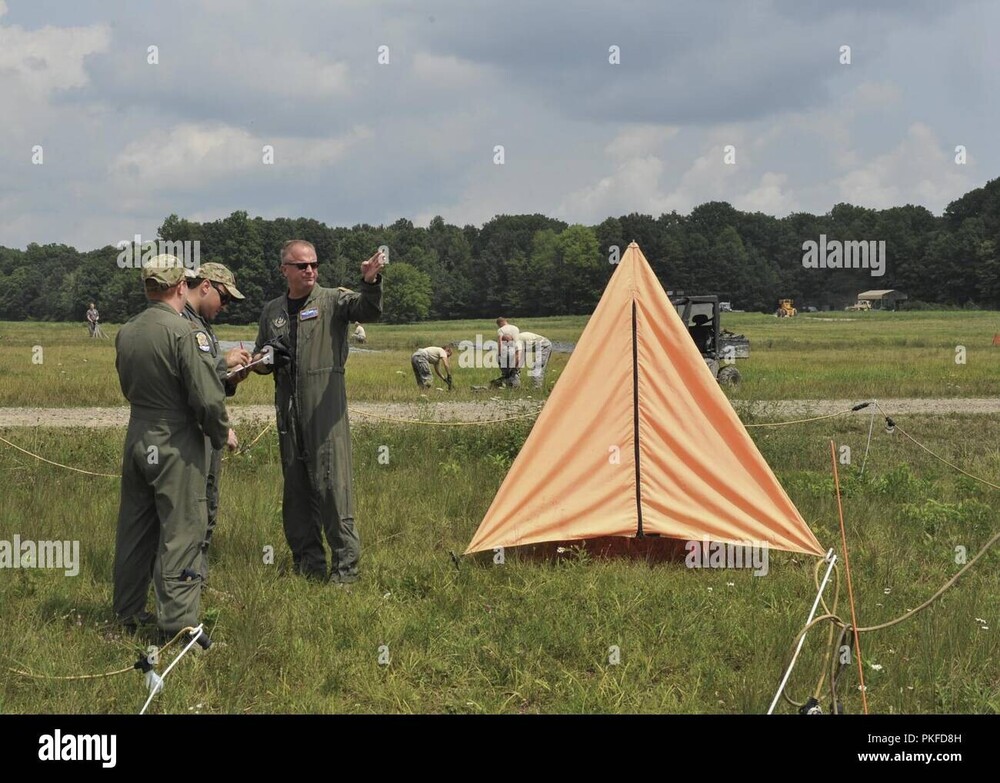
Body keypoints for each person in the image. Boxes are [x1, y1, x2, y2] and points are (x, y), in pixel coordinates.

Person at [113, 254, 237, 643]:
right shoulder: (187, 334)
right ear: (181, 286)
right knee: (183, 529)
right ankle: (180, 625)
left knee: (135, 531)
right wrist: (220, 433)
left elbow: (126, 385)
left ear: (149, 288)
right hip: (176, 441)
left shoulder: (127, 331)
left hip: (138, 435)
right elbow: (207, 398)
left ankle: (127, 614)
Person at [252, 240, 384, 583]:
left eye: (313, 264)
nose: (310, 270)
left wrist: (370, 283)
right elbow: (260, 358)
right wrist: (267, 359)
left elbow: (367, 310)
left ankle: (345, 572)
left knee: (332, 488)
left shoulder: (332, 301)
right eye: (301, 265)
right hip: (288, 412)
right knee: (295, 491)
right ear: (285, 271)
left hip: (326, 410)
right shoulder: (272, 311)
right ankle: (308, 565)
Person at [180, 262, 252, 581]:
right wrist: (224, 363)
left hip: (206, 430)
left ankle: (198, 580)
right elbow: (193, 381)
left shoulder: (204, 324)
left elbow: (212, 383)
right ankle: (189, 583)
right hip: (192, 433)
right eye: (224, 298)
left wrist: (233, 376)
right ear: (206, 286)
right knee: (194, 511)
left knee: (208, 504)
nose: (225, 307)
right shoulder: (184, 324)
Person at [495, 317, 521, 388]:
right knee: (515, 371)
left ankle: (506, 385)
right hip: (516, 351)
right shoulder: (516, 328)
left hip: (506, 351)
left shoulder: (501, 330)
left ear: (500, 323)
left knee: (505, 372)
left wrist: (499, 354)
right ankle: (515, 386)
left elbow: (500, 342)